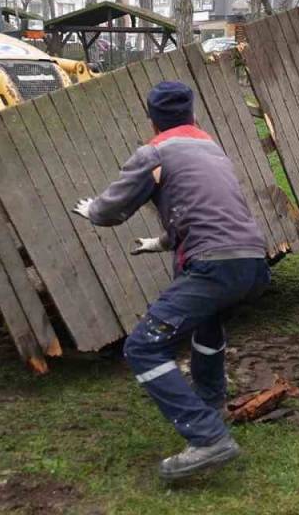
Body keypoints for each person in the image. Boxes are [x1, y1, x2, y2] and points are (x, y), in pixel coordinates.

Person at [71, 81, 270, 482]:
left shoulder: (155, 152)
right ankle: (210, 406)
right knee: (207, 323)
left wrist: (92, 209)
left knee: (142, 347)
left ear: (151, 119)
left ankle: (208, 436)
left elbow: (110, 212)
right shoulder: (212, 149)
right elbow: (206, 213)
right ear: (193, 115)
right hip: (251, 262)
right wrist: (160, 242)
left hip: (212, 265)